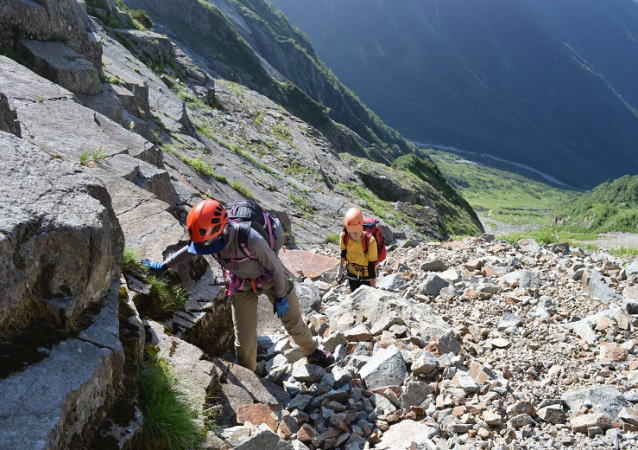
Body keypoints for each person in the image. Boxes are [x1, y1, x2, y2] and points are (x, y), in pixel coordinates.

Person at [141, 198, 333, 371]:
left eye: (209, 243)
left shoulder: (250, 238)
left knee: (292, 321)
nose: (206, 248)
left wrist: (281, 296)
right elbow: (191, 250)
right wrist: (165, 265)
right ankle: (250, 375)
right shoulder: (207, 238)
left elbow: (275, 269)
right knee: (244, 341)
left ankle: (313, 353)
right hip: (240, 284)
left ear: (222, 229)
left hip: (271, 279)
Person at [337, 208, 378, 292]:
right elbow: (343, 253)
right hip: (352, 272)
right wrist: (340, 269)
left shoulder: (370, 240)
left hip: (367, 275)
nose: (355, 236)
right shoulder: (344, 237)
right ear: (348, 230)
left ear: (362, 227)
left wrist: (373, 287)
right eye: (353, 232)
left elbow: (371, 265)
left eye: (358, 231)